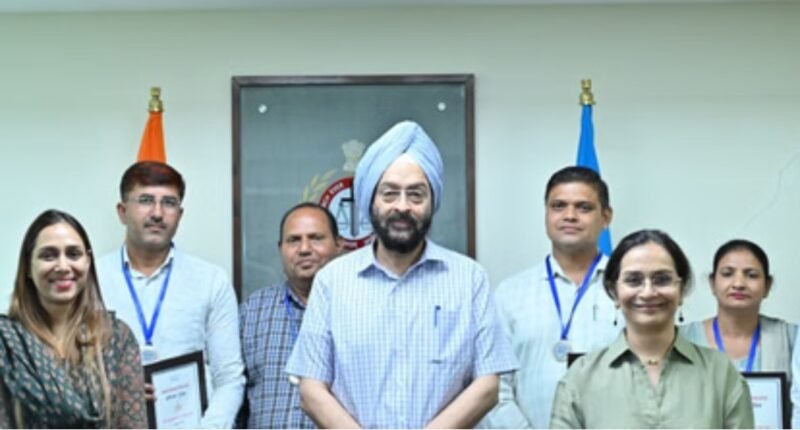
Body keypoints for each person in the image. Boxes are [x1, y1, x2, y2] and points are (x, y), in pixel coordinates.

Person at [285, 120, 517, 428]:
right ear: (371, 200)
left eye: (416, 195)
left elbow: (487, 386)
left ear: (432, 202)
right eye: (390, 193)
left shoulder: (470, 279)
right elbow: (311, 389)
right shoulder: (332, 281)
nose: (402, 206)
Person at [550, 229, 754, 428]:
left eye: (662, 279)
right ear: (614, 291)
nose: (648, 292)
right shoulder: (581, 378)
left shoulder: (720, 374)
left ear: (682, 289)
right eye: (633, 280)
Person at [96, 161, 245, 428]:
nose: (157, 213)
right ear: (122, 212)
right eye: (145, 200)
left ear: (180, 214)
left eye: (169, 203)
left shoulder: (211, 280)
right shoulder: (91, 280)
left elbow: (229, 377)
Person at [482, 166, 620, 429]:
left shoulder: (631, 290)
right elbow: (495, 388)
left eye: (583, 207)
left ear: (606, 217)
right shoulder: (510, 294)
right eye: (558, 206)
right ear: (546, 213)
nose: (570, 216)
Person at [0, 209, 146, 428]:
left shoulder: (117, 338)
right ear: (28, 266)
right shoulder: (7, 345)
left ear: (88, 262)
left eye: (73, 254)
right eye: (48, 255)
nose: (62, 266)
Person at [238, 202, 341, 428]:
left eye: (316, 238)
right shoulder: (252, 312)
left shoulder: (358, 311)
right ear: (280, 249)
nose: (304, 249)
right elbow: (233, 396)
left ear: (338, 245)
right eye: (293, 240)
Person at [682, 240, 796, 373]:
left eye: (751, 275)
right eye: (727, 274)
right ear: (713, 283)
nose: (739, 284)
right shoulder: (683, 338)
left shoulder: (791, 338)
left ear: (767, 286)